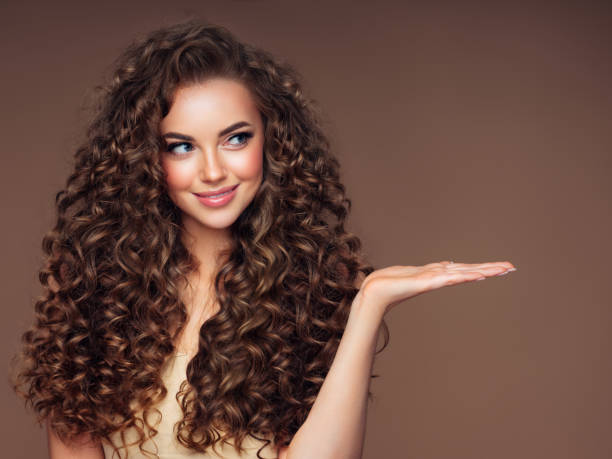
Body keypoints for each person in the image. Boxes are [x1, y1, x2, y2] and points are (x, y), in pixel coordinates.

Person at [11, 20, 516, 459]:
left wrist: (368, 305)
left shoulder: (309, 292)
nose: (213, 171)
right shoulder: (96, 288)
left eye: (236, 138)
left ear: (271, 140)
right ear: (144, 158)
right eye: (182, 146)